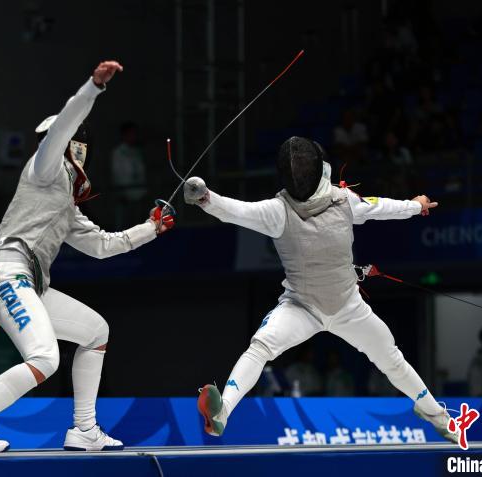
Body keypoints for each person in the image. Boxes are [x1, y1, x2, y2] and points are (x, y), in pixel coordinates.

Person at [0, 61, 174, 453]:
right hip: (7, 274)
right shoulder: (43, 169)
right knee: (46, 357)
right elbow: (64, 126)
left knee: (96, 331)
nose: (65, 142)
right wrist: (94, 87)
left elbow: (103, 245)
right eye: (65, 137)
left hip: (29, 284)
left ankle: (84, 429)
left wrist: (151, 229)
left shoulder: (66, 205)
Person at [186, 136, 457, 443]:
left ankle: (436, 415)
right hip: (300, 307)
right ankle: (221, 413)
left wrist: (413, 206)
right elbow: (234, 210)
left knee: (391, 359)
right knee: (261, 345)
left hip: (349, 308)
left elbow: (379, 206)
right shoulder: (285, 209)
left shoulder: (341, 200)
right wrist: (206, 197)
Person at [111, 122, 147, 226]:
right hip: (124, 198)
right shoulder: (118, 153)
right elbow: (117, 174)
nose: (133, 136)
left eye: (134, 133)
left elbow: (141, 173)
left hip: (139, 196)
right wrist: (121, 193)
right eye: (130, 133)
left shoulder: (137, 151)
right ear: (124, 135)